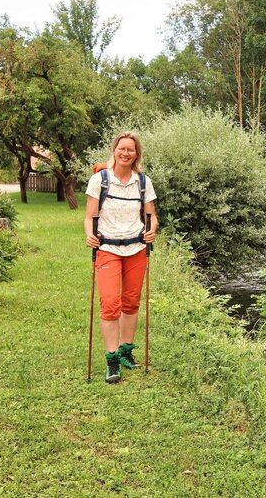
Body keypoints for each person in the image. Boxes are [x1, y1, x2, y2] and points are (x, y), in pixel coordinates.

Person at [84, 132, 158, 384]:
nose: (125, 153)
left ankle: (126, 351)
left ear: (137, 154)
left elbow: (151, 214)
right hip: (108, 249)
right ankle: (112, 359)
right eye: (121, 148)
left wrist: (152, 230)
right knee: (110, 304)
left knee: (131, 302)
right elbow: (89, 216)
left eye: (131, 150)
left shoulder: (143, 182)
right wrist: (89, 235)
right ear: (114, 149)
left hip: (136, 248)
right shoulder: (99, 180)